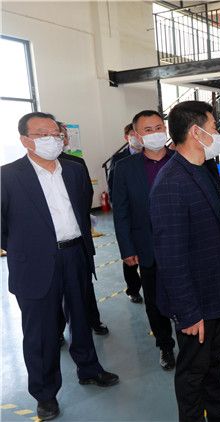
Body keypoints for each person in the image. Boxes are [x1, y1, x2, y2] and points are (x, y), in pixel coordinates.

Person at [1, 112, 119, 421]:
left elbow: (81, 209)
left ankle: (90, 369)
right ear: (25, 140)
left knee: (81, 318)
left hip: (74, 254)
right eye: (43, 134)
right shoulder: (7, 176)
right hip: (34, 263)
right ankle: (45, 394)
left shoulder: (74, 171)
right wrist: (28, 248)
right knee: (40, 332)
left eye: (55, 133)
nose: (52, 139)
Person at [150, 101, 220, 422]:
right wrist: (188, 312)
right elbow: (171, 257)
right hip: (195, 300)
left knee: (214, 359)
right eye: (213, 128)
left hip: (216, 289)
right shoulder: (171, 183)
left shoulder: (204, 168)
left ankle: (219, 410)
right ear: (196, 133)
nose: (217, 134)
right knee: (193, 370)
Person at [111, 110, 176, 370]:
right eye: (148, 130)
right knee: (155, 301)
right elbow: (121, 212)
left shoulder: (182, 160)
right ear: (137, 135)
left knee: (187, 296)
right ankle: (165, 345)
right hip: (147, 246)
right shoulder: (124, 168)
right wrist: (127, 248)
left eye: (159, 127)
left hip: (183, 245)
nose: (155, 133)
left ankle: (192, 342)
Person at [57, 121, 109, 336]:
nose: (60, 140)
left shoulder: (76, 163)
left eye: (62, 136)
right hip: (51, 244)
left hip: (78, 239)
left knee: (85, 284)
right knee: (55, 290)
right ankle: (58, 330)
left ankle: (93, 320)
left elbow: (86, 193)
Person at [107, 123, 143, 304]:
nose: (136, 136)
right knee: (131, 256)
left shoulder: (151, 154)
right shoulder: (119, 159)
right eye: (132, 134)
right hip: (130, 215)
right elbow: (113, 188)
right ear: (126, 137)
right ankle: (133, 289)